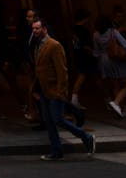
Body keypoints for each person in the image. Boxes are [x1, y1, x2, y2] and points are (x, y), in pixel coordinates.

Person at [31, 20, 96, 161]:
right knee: (49, 122)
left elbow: (62, 70)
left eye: (37, 28)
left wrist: (61, 91)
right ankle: (56, 151)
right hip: (44, 91)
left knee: (58, 119)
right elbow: (39, 70)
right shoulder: (37, 46)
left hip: (55, 91)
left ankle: (87, 137)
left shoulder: (54, 45)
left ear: (44, 29)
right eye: (33, 29)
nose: (35, 31)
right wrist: (35, 89)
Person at [95, 14, 126, 118]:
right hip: (116, 59)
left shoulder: (95, 34)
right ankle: (116, 103)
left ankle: (122, 110)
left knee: (115, 84)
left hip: (104, 61)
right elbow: (125, 44)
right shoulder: (113, 32)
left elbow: (96, 52)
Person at [69, 8, 96, 108]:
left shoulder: (73, 29)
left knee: (81, 76)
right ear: (84, 18)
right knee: (82, 77)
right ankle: (74, 100)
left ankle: (74, 100)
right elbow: (86, 46)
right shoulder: (84, 30)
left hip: (77, 55)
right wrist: (93, 53)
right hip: (84, 56)